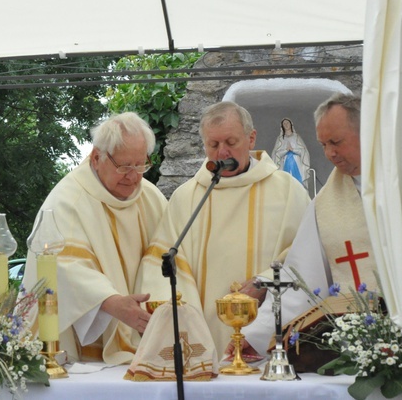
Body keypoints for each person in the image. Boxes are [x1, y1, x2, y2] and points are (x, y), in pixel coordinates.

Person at [161, 101, 310, 355]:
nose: (222, 152)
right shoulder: (186, 198)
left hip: (268, 340)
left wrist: (263, 283)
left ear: (251, 139)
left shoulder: (288, 192)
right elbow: (168, 265)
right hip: (203, 339)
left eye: (231, 142)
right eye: (214, 144)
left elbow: (306, 258)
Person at [21, 112, 169, 365]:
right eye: (124, 166)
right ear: (97, 157)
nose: (133, 176)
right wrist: (112, 303)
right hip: (86, 343)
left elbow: (166, 260)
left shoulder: (152, 199)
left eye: (140, 165)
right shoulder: (67, 200)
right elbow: (63, 267)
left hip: (144, 337)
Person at [243, 93, 376, 357]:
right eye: (323, 144)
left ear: (368, 131)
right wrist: (258, 337)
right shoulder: (325, 205)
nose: (329, 154)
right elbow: (300, 276)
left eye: (336, 142)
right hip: (362, 345)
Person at [271, 117, 310, 186]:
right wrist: (286, 150)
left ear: (291, 124)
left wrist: (293, 150)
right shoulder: (280, 139)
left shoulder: (297, 137)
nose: (286, 124)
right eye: (284, 123)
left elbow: (304, 152)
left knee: (298, 185)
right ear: (282, 126)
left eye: (287, 123)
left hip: (297, 163)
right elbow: (276, 154)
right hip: (284, 163)